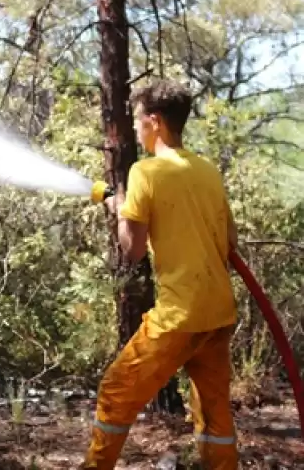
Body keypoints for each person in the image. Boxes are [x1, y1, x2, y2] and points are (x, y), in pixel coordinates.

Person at [81, 80, 240, 469]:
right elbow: (230, 244)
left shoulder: (144, 172)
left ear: (154, 122)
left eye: (138, 120)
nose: (136, 128)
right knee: (216, 416)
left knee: (115, 394)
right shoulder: (207, 171)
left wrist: (123, 210)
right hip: (218, 314)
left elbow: (132, 251)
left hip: (178, 318)